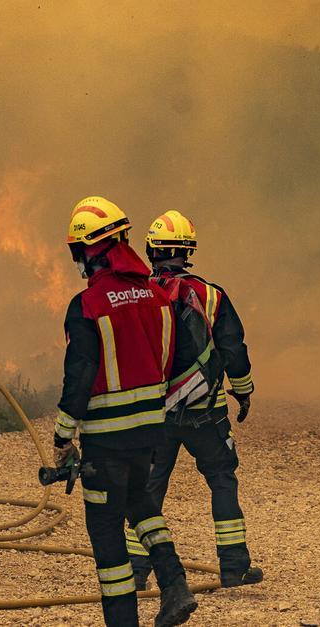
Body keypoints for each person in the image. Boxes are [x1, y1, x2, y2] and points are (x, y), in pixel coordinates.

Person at [53, 196, 197, 627]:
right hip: (150, 432)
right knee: (142, 504)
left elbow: (79, 376)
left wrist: (63, 435)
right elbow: (172, 360)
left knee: (107, 535)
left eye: (77, 251)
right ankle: (175, 585)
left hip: (106, 441)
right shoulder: (157, 297)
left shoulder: (88, 305)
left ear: (90, 250)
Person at [127, 210, 262, 590]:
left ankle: (137, 571)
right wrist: (244, 390)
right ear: (189, 251)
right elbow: (234, 349)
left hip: (155, 414)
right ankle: (234, 567)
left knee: (148, 489)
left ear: (151, 250)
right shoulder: (212, 295)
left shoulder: (138, 296)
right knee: (221, 479)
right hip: (206, 412)